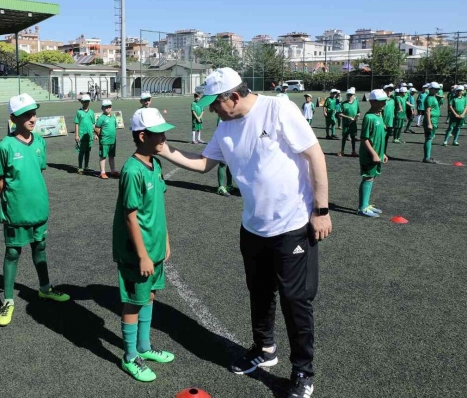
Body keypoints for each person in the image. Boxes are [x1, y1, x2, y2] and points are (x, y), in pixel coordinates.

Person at [158, 67, 331, 398]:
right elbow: (205, 163)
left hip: (292, 226)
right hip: (253, 228)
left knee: (296, 301)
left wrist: (320, 211)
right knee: (260, 293)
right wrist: (165, 151)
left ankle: (302, 371)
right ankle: (264, 349)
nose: (211, 110)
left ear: (233, 96)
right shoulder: (224, 128)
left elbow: (314, 155)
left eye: (215, 104)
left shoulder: (278, 108)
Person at [0, 94, 70, 326]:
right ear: (13, 117)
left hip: (39, 209)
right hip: (16, 212)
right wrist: (11, 201)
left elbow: (38, 172)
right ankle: (7, 300)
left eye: (33, 113)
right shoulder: (4, 145)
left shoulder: (39, 142)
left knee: (40, 246)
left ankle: (45, 288)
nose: (32, 118)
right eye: (26, 114)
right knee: (13, 253)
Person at [114, 107, 176, 382]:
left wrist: (164, 239)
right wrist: (142, 255)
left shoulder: (156, 163)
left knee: (149, 296)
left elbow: (157, 207)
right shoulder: (131, 170)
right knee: (133, 302)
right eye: (158, 133)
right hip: (137, 253)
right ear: (142, 136)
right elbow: (130, 216)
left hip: (154, 247)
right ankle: (130, 357)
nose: (164, 137)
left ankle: (144, 347)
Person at [358, 89, 389, 218]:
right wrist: (374, 154)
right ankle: (362, 208)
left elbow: (380, 138)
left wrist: (383, 153)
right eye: (381, 102)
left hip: (377, 154)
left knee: (372, 177)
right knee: (368, 177)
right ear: (372, 101)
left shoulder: (378, 116)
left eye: (385, 101)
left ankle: (366, 204)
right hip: (369, 155)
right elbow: (364, 139)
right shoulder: (369, 117)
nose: (384, 104)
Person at [95, 99, 119, 179]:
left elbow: (114, 127)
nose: (108, 108)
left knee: (112, 156)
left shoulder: (113, 117)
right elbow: (97, 128)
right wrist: (97, 135)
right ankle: (102, 172)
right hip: (104, 141)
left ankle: (113, 171)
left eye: (109, 106)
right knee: (103, 156)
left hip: (113, 140)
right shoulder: (101, 118)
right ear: (102, 108)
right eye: (106, 107)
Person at [74, 94, 97, 174]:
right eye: (84, 102)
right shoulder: (79, 112)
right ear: (82, 102)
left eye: (87, 101)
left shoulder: (91, 112)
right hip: (81, 136)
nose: (86, 103)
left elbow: (94, 124)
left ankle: (86, 166)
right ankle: (80, 167)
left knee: (88, 151)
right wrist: (76, 135)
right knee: (81, 152)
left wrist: (95, 134)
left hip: (89, 136)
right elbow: (76, 124)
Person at [337, 87, 360, 157]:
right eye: (348, 95)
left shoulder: (356, 103)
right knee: (344, 137)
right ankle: (342, 151)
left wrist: (357, 117)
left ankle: (353, 151)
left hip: (353, 124)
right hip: (346, 124)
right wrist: (348, 117)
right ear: (346, 95)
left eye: (351, 95)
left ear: (354, 96)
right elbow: (339, 114)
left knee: (353, 138)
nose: (350, 96)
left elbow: (358, 112)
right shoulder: (343, 104)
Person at [422, 82, 442, 164]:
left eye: (438, 89)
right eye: (435, 89)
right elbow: (427, 111)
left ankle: (428, 156)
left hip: (434, 120)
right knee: (429, 138)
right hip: (431, 121)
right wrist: (429, 123)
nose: (437, 90)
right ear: (430, 89)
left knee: (430, 138)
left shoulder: (433, 97)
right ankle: (427, 157)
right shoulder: (430, 98)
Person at [381, 84, 396, 154]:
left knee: (386, 139)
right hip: (382, 123)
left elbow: (392, 112)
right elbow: (379, 112)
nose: (389, 92)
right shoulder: (382, 100)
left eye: (391, 90)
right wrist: (382, 123)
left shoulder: (392, 100)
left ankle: (384, 153)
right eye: (388, 90)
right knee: (380, 139)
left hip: (389, 124)